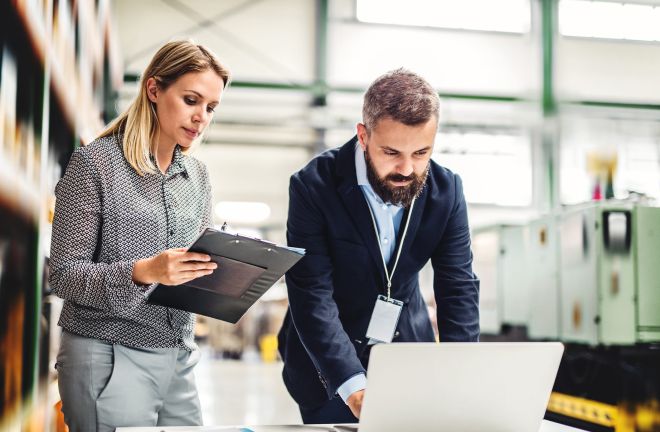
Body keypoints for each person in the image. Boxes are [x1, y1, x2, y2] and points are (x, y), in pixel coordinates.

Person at [277, 68, 480, 424]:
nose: (407, 169)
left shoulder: (447, 192)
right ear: (363, 136)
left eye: (421, 153)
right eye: (391, 152)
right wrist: (353, 387)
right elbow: (311, 294)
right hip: (326, 368)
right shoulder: (313, 187)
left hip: (407, 355)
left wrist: (459, 373)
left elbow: (458, 287)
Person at [49, 40, 230, 431]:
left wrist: (232, 273)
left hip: (178, 356)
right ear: (153, 90)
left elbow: (192, 268)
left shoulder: (197, 177)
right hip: (108, 354)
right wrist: (144, 271)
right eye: (191, 100)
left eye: (210, 107)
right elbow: (62, 274)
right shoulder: (94, 165)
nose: (201, 117)